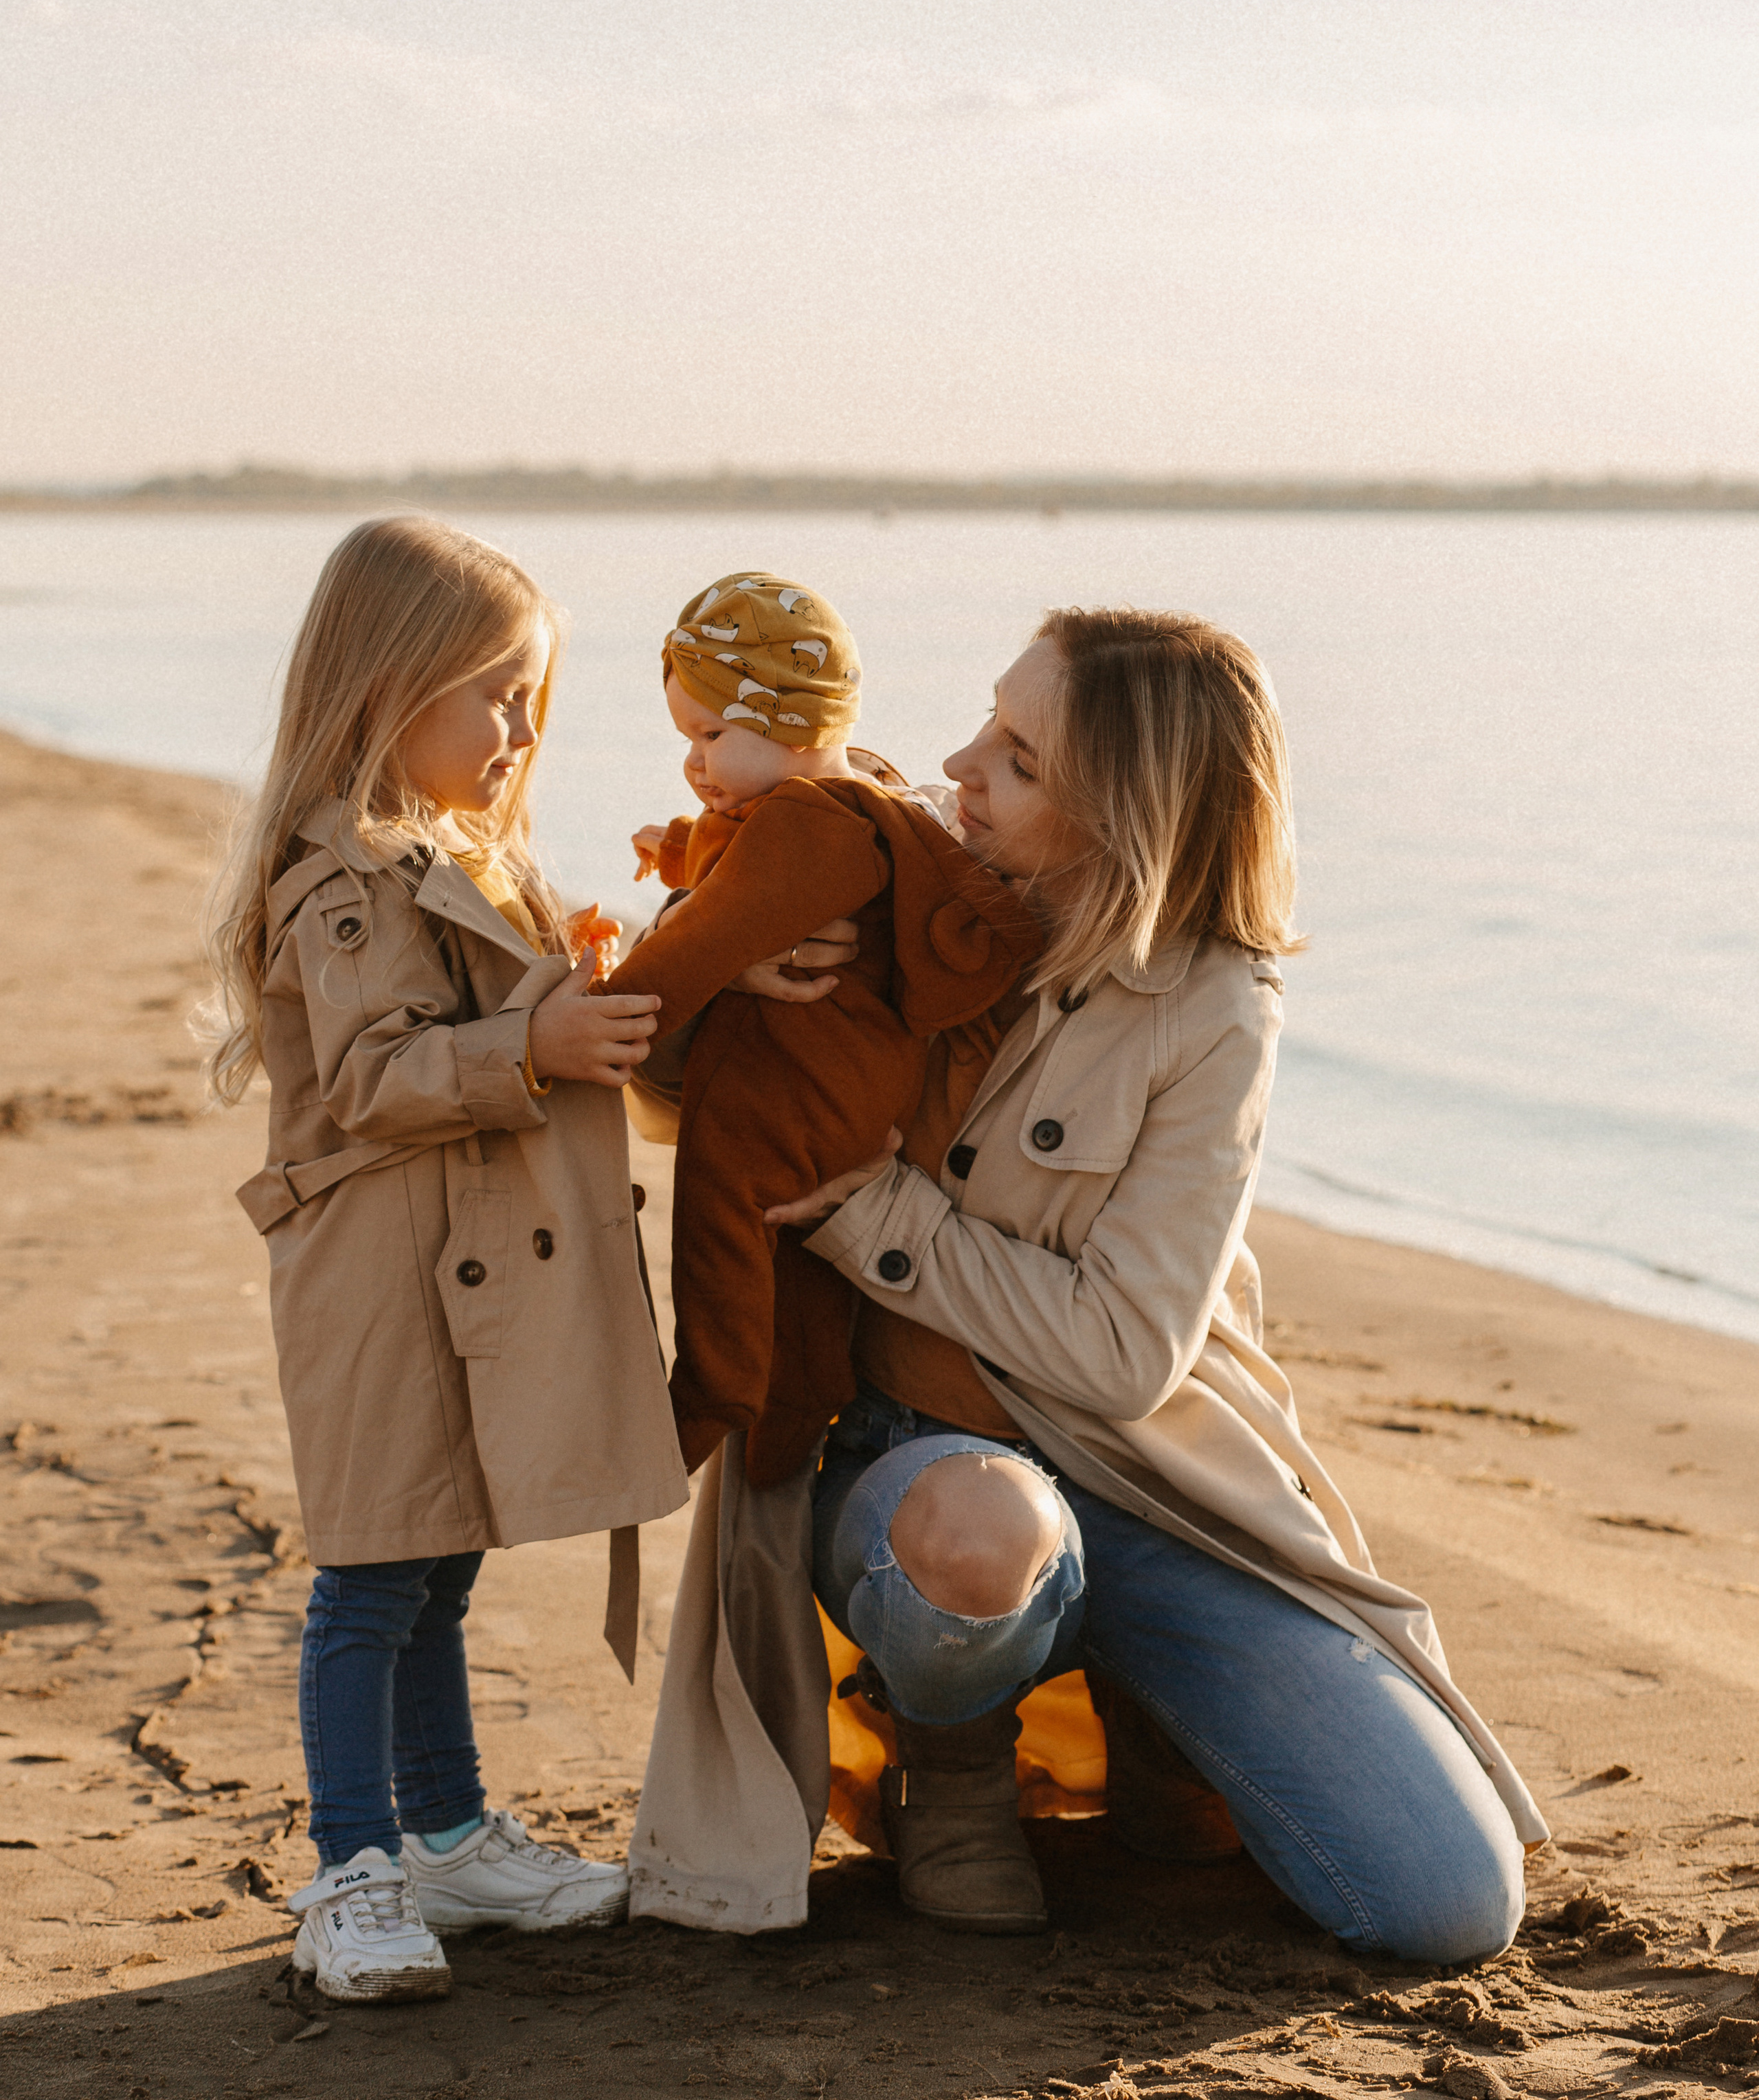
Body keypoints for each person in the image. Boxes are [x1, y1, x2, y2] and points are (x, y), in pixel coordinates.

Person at [626, 607, 1544, 1959]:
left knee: (1441, 1902)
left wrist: (873, 1214)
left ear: (1123, 814)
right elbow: (661, 1090)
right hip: (916, 1470)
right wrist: (727, 956)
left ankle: (1147, 1704)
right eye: (987, 727)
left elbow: (1123, 1358)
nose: (955, 765)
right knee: (976, 1536)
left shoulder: (1213, 1005)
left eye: (1016, 756)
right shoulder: (876, 869)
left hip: (1156, 1483)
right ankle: (951, 1771)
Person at [205, 516, 687, 2004]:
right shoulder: (338, 880)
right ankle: (352, 1866)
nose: (524, 728)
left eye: (534, 695)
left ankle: (451, 1832)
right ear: (383, 689)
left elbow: (480, 1027)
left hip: (460, 1272)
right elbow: (370, 1077)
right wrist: (528, 1043)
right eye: (495, 693)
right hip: (376, 1282)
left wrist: (572, 991)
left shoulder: (454, 857)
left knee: (440, 1561)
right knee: (369, 1574)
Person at [605, 570, 1040, 1482]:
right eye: (686, 737)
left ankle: (713, 1390)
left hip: (794, 1079)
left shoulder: (806, 826)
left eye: (712, 735)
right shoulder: (844, 804)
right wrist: (680, 848)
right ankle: (794, 1409)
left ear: (793, 723)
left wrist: (605, 1024)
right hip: (845, 1084)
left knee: (722, 1217)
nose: (694, 762)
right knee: (791, 1255)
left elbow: (706, 941)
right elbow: (740, 864)